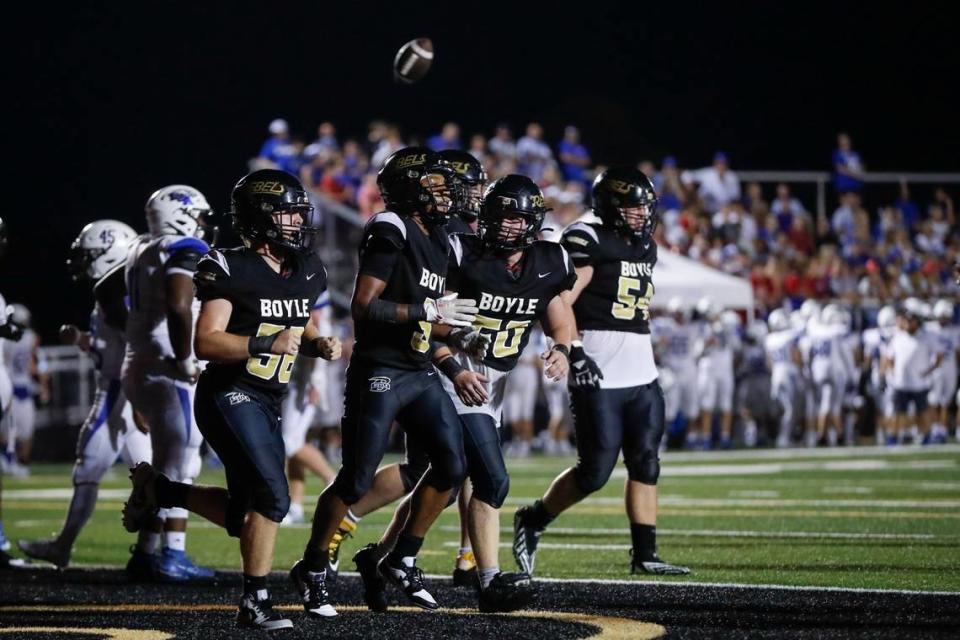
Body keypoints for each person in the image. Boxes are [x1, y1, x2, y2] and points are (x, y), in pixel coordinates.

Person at [122, 169, 340, 630]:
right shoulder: (230, 265)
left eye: (299, 212)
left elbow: (300, 319)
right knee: (274, 497)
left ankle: (159, 489)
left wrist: (318, 342)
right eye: (287, 212)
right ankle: (254, 601)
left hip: (269, 397)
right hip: (228, 393)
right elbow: (207, 342)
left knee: (247, 519)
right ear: (260, 218)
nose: (298, 220)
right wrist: (266, 344)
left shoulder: (306, 267)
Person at [354, 175, 575, 613]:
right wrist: (451, 364)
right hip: (450, 378)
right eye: (499, 216)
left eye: (514, 218)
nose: (504, 226)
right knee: (491, 479)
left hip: (492, 387)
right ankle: (486, 581)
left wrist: (563, 348)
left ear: (532, 223)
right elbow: (427, 318)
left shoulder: (550, 260)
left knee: (446, 481)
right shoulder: (459, 253)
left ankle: (380, 557)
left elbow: (557, 314)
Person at [294, 147, 476, 615]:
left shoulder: (442, 238)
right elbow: (365, 305)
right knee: (355, 478)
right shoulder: (390, 226)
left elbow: (434, 319)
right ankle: (313, 567)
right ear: (409, 189)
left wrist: (455, 341)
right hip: (380, 371)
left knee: (452, 467)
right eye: (433, 185)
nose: (445, 193)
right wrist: (426, 311)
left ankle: (401, 556)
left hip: (418, 369)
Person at [513, 167, 689, 577]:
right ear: (610, 207)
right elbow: (561, 301)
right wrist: (573, 350)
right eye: (632, 208)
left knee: (646, 461)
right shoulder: (586, 237)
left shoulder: (642, 244)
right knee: (594, 472)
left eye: (645, 208)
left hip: (641, 368)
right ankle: (534, 518)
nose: (641, 216)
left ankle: (645, 554)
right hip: (598, 365)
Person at [18, 220, 153, 571]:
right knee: (153, 478)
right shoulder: (119, 290)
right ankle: (152, 552)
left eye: (89, 255)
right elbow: (114, 346)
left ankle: (63, 547)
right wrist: (80, 339)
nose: (82, 262)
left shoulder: (117, 291)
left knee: (89, 468)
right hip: (126, 390)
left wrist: (139, 400)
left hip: (119, 394)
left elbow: (133, 349)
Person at [121, 185, 216, 581]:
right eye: (199, 215)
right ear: (182, 214)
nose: (204, 224)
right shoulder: (184, 246)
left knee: (169, 463)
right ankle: (172, 555)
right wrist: (182, 359)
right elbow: (179, 306)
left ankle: (145, 554)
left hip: (140, 363)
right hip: (167, 366)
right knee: (181, 465)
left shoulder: (139, 248)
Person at [883, 304, 942, 445]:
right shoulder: (898, 336)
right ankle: (893, 438)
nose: (908, 323)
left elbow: (940, 355)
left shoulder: (927, 337)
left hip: (918, 383)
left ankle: (927, 437)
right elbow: (888, 357)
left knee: (922, 412)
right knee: (897, 413)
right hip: (901, 382)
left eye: (911, 320)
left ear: (918, 322)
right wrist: (892, 372)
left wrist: (930, 370)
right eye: (907, 320)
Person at [1, 304, 47, 474]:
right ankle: (12, 462)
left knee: (11, 430)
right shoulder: (31, 337)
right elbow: (36, 363)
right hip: (21, 387)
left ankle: (11, 461)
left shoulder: (5, 339)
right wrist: (43, 384)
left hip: (10, 386)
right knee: (21, 432)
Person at [764, 309, 803, 448]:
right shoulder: (789, 336)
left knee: (782, 408)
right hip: (788, 373)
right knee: (790, 409)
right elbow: (795, 355)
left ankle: (781, 436)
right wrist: (800, 370)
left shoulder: (769, 339)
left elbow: (769, 363)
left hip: (776, 374)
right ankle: (783, 437)